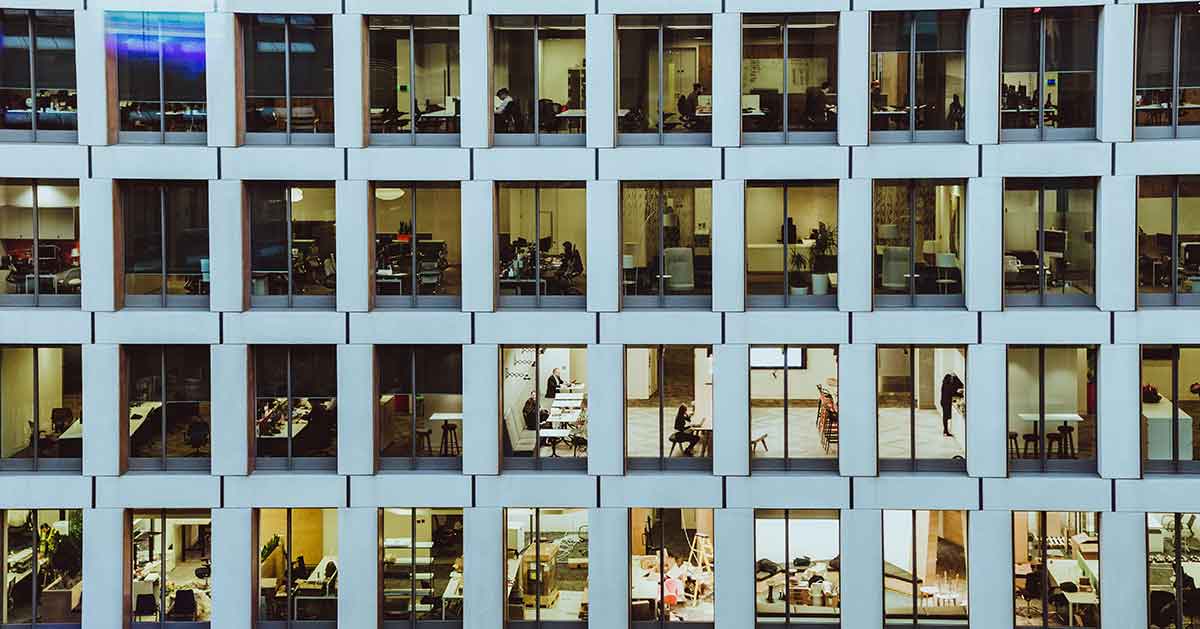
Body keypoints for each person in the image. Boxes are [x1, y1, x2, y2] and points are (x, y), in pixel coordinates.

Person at [940, 372, 964, 437]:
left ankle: (945, 430)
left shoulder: (945, 384)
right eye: (951, 378)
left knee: (945, 417)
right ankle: (946, 431)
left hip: (944, 402)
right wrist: (959, 393)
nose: (952, 380)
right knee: (946, 417)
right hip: (945, 402)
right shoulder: (947, 385)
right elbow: (952, 392)